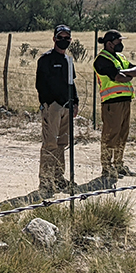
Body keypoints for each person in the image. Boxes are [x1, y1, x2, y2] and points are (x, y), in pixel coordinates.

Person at [35, 24, 79, 194]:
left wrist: (75, 102)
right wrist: (50, 104)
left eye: (66, 38)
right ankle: (45, 182)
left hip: (67, 108)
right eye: (60, 38)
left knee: (62, 143)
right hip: (53, 108)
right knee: (50, 144)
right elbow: (40, 85)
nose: (63, 41)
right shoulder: (46, 59)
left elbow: (71, 83)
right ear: (54, 39)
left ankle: (58, 178)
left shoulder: (68, 60)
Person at [93, 29, 136, 180]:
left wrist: (124, 72)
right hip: (111, 103)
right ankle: (107, 167)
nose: (121, 44)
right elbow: (118, 77)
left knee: (122, 134)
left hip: (125, 100)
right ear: (109, 43)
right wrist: (126, 75)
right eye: (118, 41)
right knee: (110, 135)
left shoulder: (120, 57)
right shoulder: (101, 60)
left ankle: (119, 164)